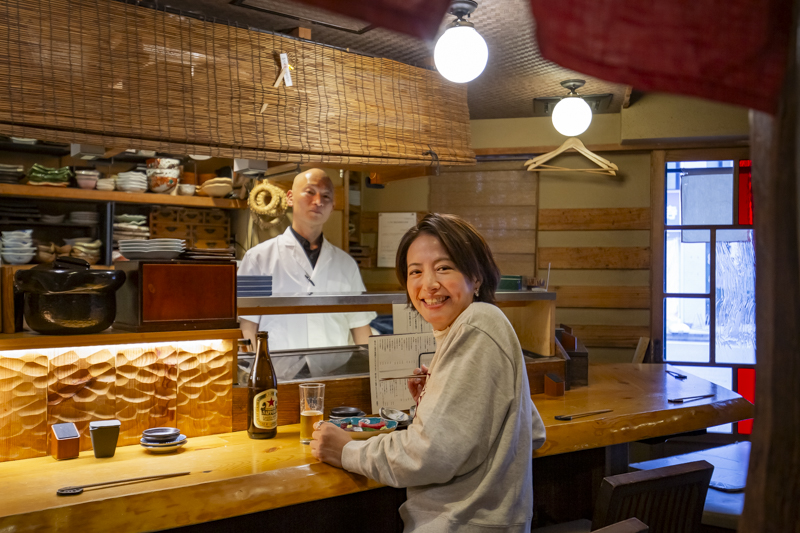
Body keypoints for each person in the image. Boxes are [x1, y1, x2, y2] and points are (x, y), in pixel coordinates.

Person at [311, 213, 547, 532]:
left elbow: (427, 455)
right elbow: (532, 430)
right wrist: (437, 402)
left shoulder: (477, 324)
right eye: (416, 272)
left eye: (444, 267)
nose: (429, 284)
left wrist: (346, 450)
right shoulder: (471, 327)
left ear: (476, 277)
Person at [238, 168, 376, 379]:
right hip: (277, 375)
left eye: (326, 196)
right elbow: (248, 325)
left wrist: (374, 374)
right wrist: (257, 375)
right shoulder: (259, 258)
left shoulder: (345, 264)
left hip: (335, 375)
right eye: (310, 192)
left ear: (333, 206)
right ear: (290, 198)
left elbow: (360, 327)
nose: (318, 201)